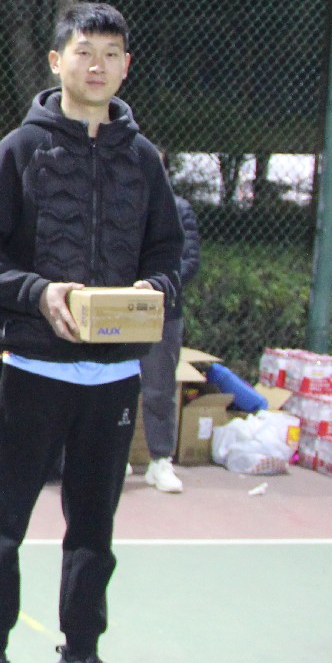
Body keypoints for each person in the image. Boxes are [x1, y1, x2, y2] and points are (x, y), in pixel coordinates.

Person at [0, 2, 182, 663]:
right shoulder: (20, 149)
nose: (97, 65)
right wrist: (39, 293)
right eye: (84, 51)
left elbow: (171, 252)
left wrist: (154, 289)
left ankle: (80, 658)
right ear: (57, 61)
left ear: (126, 67)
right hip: (31, 371)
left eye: (111, 54)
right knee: (4, 522)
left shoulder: (144, 160)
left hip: (113, 380)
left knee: (93, 528)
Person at [137, 148, 202, 494]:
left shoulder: (179, 210)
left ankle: (160, 460)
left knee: (159, 389)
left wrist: (155, 287)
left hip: (163, 313)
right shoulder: (115, 207)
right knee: (108, 387)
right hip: (116, 314)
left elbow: (188, 261)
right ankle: (110, 461)